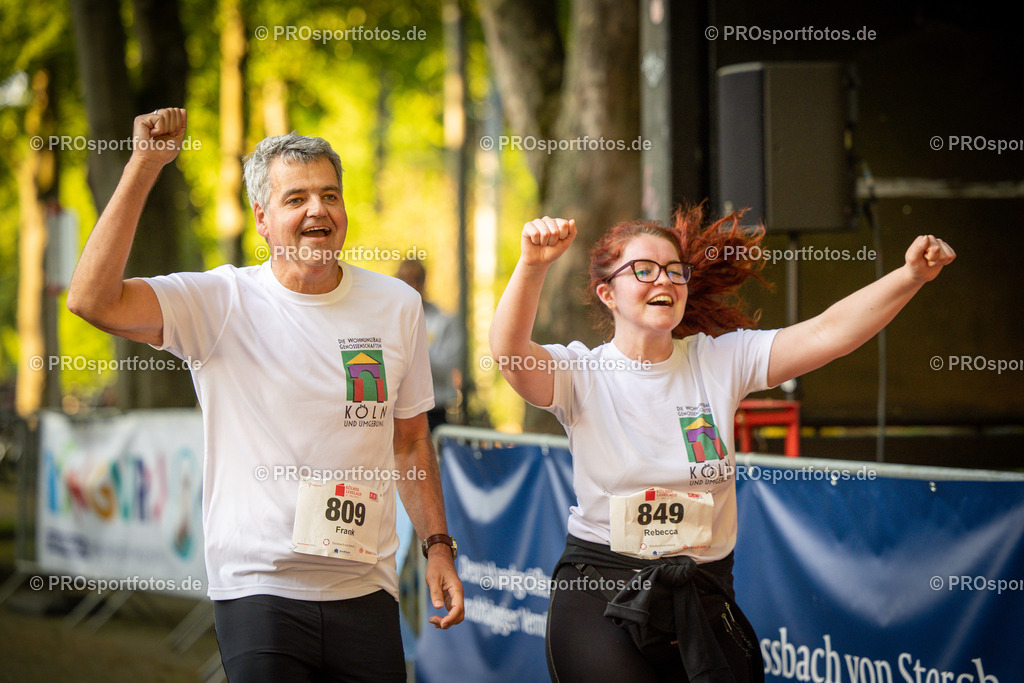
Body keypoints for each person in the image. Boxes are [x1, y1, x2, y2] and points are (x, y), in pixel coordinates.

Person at [67, 108, 464, 681]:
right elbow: (91, 299)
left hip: (364, 586)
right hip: (260, 587)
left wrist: (437, 545)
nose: (317, 210)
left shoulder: (394, 305)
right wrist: (145, 164)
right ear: (262, 217)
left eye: (330, 195)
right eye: (296, 198)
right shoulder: (218, 301)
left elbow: (409, 441)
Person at [488, 210, 954, 682]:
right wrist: (532, 265)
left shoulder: (718, 360)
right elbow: (509, 356)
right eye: (643, 270)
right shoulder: (580, 374)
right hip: (601, 591)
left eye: (674, 270)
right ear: (608, 294)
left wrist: (910, 275)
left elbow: (826, 333)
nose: (663, 280)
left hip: (701, 591)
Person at [395, 259, 464, 432]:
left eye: (415, 279)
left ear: (424, 281)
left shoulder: (443, 321)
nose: (410, 285)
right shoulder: (387, 318)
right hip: (394, 407)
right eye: (404, 279)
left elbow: (448, 365)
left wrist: (412, 353)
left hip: (433, 410)